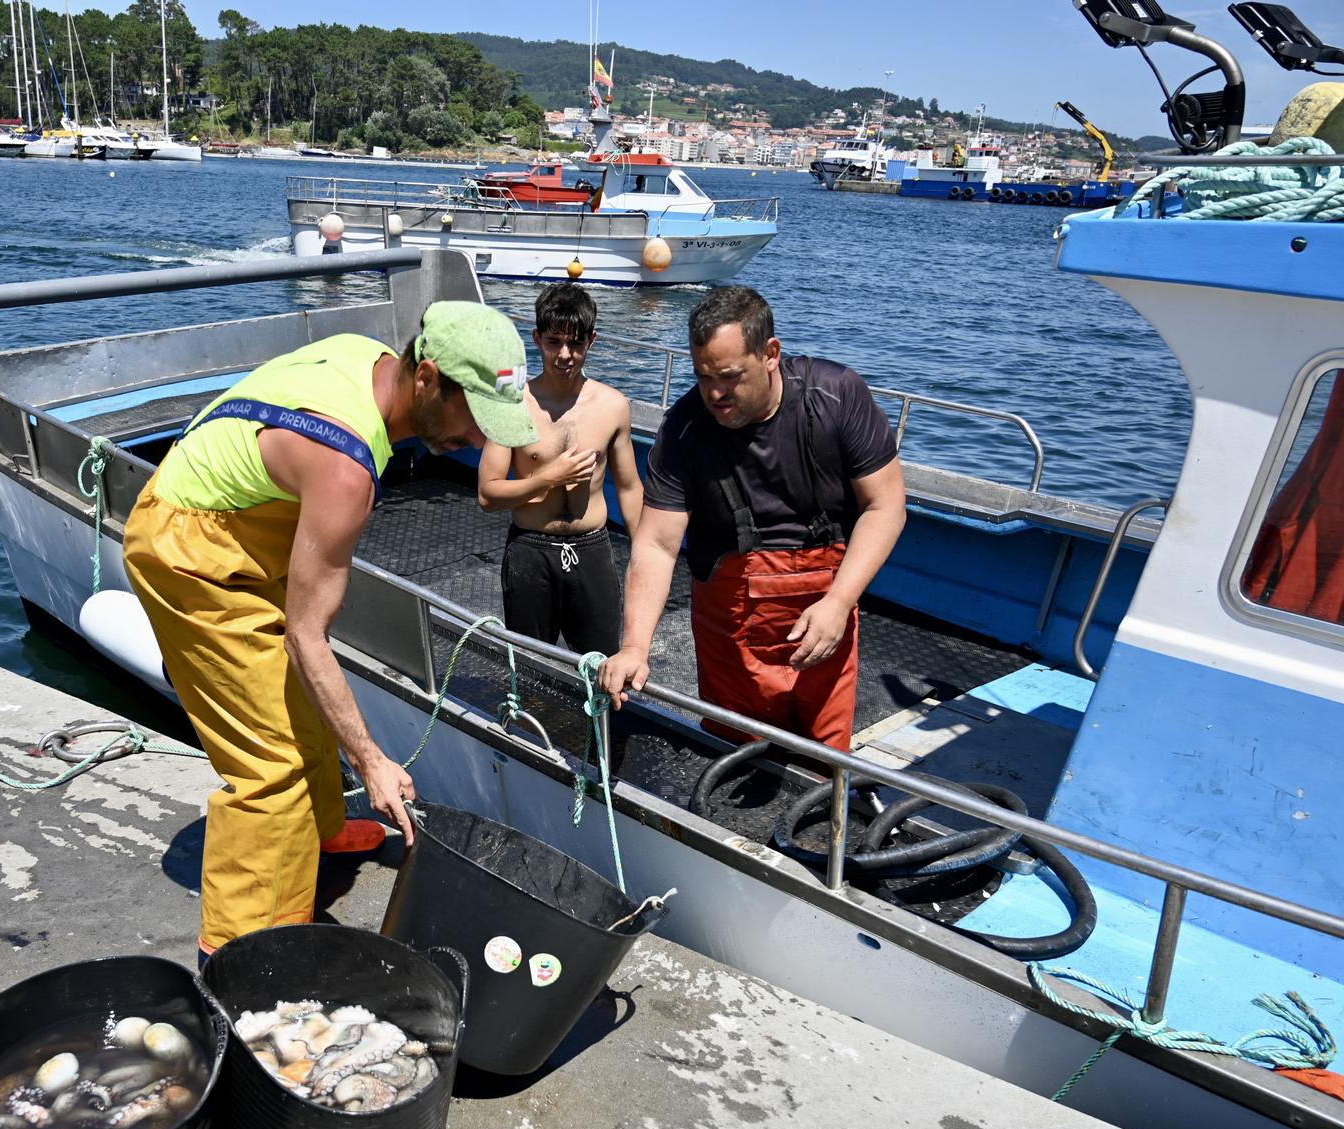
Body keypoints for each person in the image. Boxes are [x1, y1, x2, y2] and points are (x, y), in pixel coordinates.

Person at [122, 303, 539, 960]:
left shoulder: (365, 356)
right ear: (427, 377)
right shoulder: (345, 468)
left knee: (301, 702)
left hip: (237, 517)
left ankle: (321, 827)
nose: (483, 442)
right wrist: (372, 759)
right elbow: (308, 635)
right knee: (271, 764)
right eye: (477, 420)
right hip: (187, 551)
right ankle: (244, 948)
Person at [598, 286, 906, 751]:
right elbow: (657, 544)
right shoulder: (684, 429)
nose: (715, 394)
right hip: (731, 628)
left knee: (824, 759)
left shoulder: (836, 396)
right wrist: (635, 646)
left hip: (825, 615)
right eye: (703, 378)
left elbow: (886, 507)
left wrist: (840, 603)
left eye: (729, 376)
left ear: (770, 354)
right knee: (730, 754)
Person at [476, 285, 642, 656]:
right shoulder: (513, 399)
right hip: (530, 551)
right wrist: (552, 477)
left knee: (602, 669)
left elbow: (630, 487)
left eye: (576, 344)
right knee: (531, 665)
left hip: (592, 550)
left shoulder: (613, 405)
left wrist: (644, 555)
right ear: (537, 339)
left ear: (592, 341)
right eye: (553, 342)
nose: (565, 355)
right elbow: (488, 493)